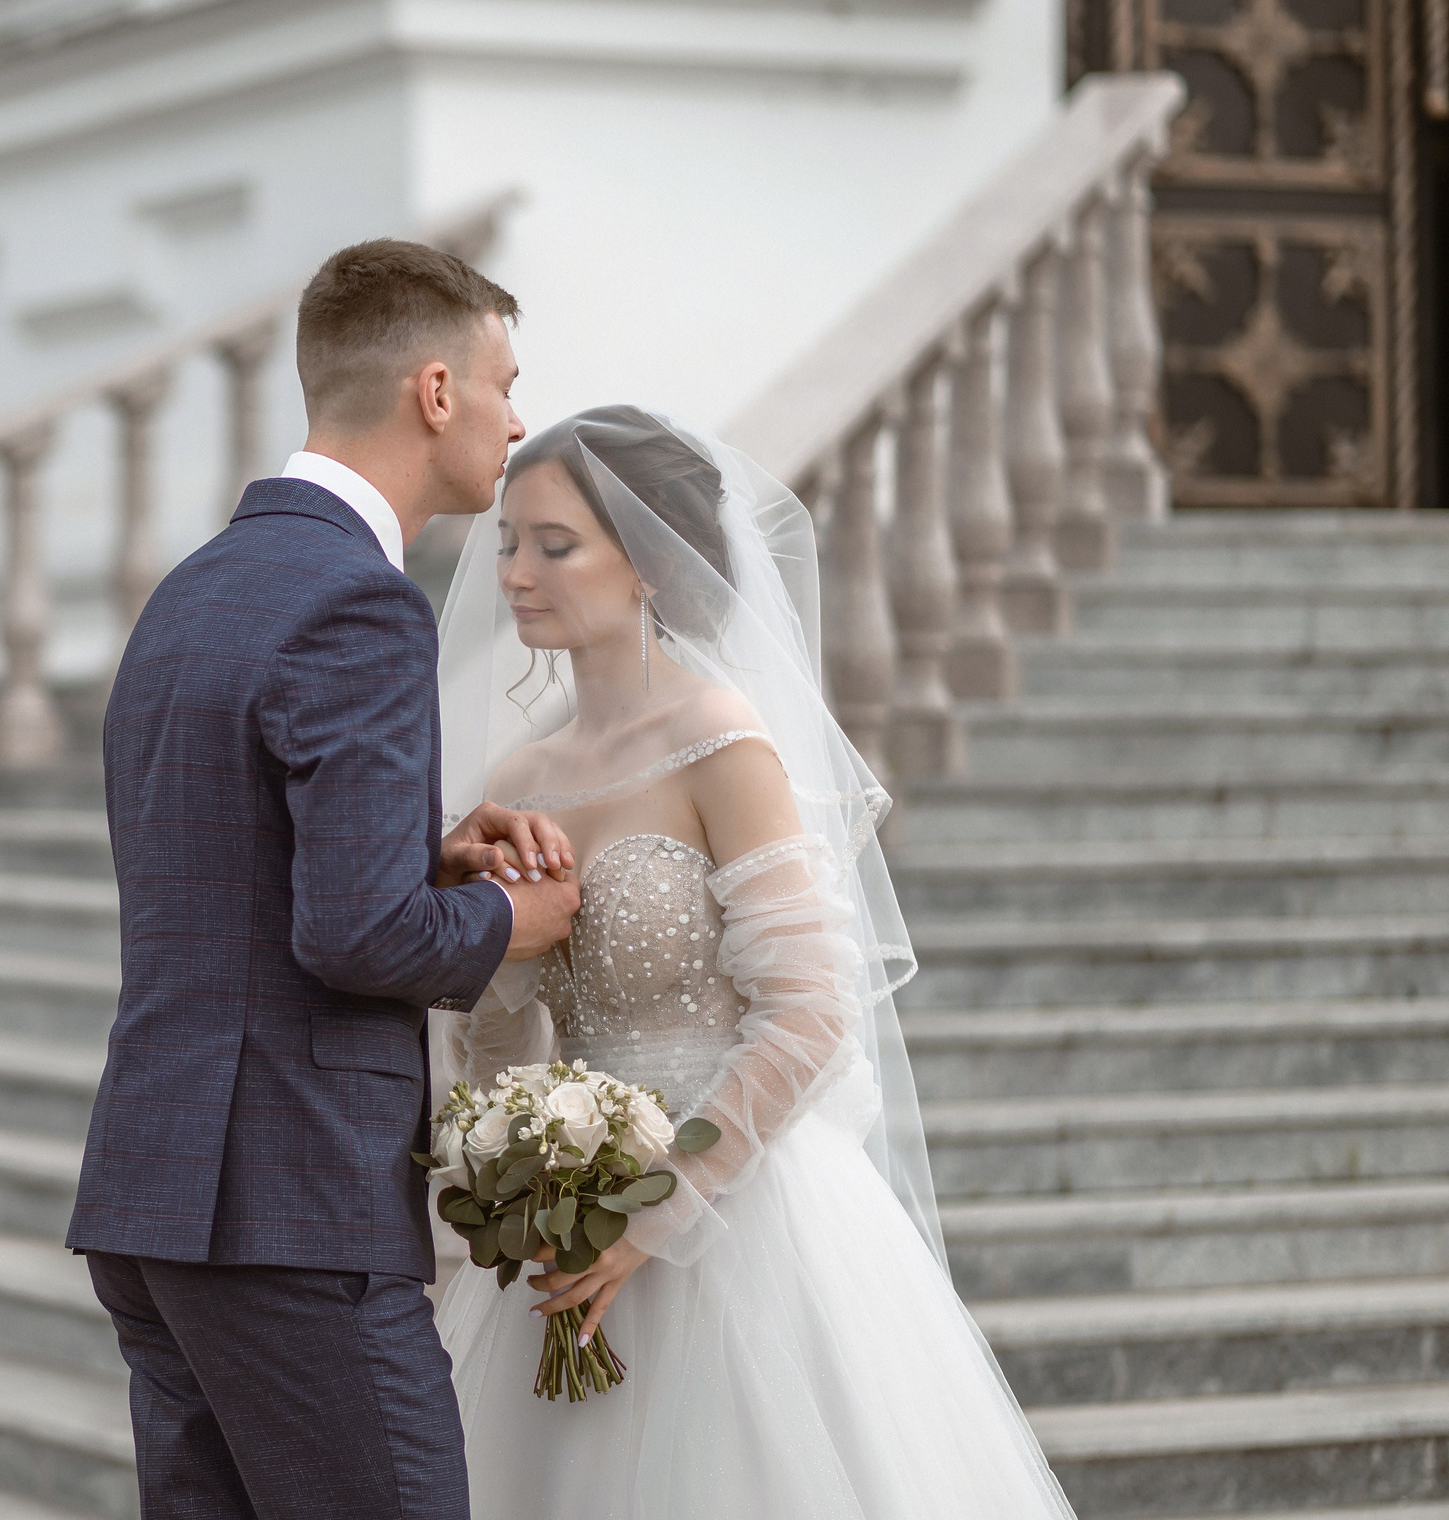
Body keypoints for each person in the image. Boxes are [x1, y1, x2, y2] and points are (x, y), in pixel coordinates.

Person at [432, 406, 1077, 1519]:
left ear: (645, 565)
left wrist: (655, 1212)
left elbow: (810, 1008)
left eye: (554, 543)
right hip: (565, 1227)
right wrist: (494, 948)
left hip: (734, 1221)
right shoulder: (521, 773)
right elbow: (505, 1041)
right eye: (506, 542)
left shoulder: (719, 739)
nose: (516, 573)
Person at [68, 239, 583, 1520]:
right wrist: (513, 916)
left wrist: (430, 852)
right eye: (505, 382)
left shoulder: (195, 588)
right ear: (434, 391)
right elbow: (358, 937)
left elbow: (232, 861)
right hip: (287, 1209)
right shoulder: (359, 601)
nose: (519, 420)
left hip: (156, 1191)